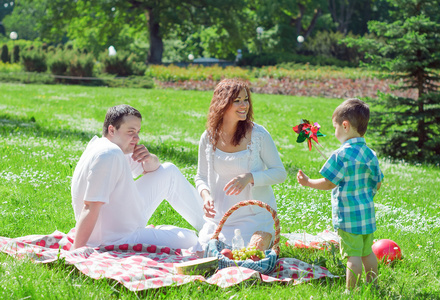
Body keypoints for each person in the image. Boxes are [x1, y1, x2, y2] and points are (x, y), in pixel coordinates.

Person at [71, 104, 205, 253]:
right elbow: (90, 205)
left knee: (169, 171)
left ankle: (211, 227)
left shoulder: (107, 146)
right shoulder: (109, 155)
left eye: (138, 132)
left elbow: (154, 168)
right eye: (131, 132)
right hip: (116, 237)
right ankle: (209, 230)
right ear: (111, 130)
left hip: (121, 219)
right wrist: (77, 248)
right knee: (190, 239)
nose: (137, 138)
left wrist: (148, 158)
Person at [297, 98, 383, 290]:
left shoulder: (340, 155)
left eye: (335, 127)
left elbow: (329, 183)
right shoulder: (371, 154)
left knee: (352, 255)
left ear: (345, 126)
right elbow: (378, 183)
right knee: (367, 252)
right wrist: (367, 194)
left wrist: (308, 182)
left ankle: (350, 291)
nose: (335, 131)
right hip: (367, 214)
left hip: (348, 216)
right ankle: (373, 285)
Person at [195, 78, 287, 249]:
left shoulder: (258, 135)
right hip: (220, 218)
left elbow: (280, 173)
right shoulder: (208, 137)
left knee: (245, 253)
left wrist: (250, 177)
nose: (244, 105)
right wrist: (206, 196)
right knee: (204, 251)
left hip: (254, 218)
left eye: (245, 99)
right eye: (237, 101)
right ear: (222, 105)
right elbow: (200, 176)